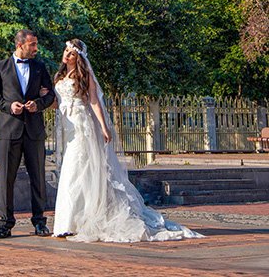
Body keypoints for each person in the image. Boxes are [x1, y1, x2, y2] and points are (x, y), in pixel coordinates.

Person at [49, 39, 202, 242]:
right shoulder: (59, 76)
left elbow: (94, 101)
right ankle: (67, 222)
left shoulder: (84, 77)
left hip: (82, 126)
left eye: (72, 53)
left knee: (78, 170)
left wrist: (104, 126)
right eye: (66, 51)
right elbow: (57, 102)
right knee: (69, 169)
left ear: (79, 58)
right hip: (66, 127)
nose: (67, 55)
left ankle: (77, 221)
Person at [0, 29, 56, 239]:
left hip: (34, 130)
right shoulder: (1, 66)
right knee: (6, 179)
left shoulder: (39, 67)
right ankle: (5, 224)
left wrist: (39, 104)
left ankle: (39, 221)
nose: (36, 48)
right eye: (32, 44)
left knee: (38, 178)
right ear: (20, 45)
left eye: (36, 44)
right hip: (9, 130)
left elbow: (50, 94)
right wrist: (8, 106)